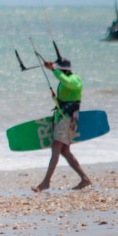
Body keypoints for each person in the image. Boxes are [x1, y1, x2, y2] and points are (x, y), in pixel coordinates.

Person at [32, 58, 92, 192]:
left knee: (56, 147)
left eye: (59, 69)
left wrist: (53, 69)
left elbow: (68, 82)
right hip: (63, 116)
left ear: (65, 69)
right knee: (64, 150)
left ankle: (45, 182)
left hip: (68, 117)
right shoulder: (64, 77)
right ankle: (85, 178)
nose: (58, 71)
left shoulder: (75, 79)